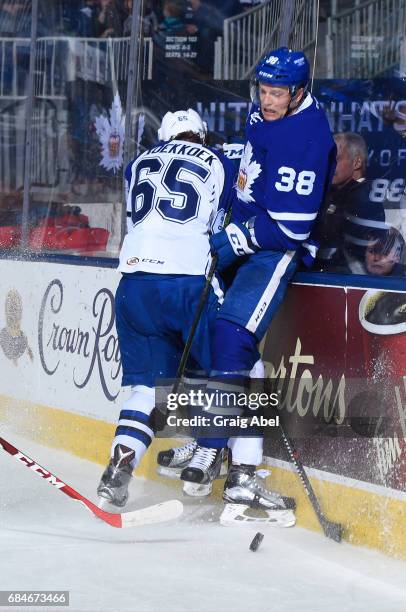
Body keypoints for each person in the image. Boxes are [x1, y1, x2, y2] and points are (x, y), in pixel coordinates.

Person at [170, 47, 336, 507]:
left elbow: (292, 228)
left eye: (277, 93)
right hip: (245, 237)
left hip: (273, 250)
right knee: (222, 345)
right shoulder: (267, 111)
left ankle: (215, 450)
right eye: (263, 90)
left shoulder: (307, 139)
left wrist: (238, 237)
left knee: (233, 340)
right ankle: (230, 457)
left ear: (299, 91)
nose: (267, 99)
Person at [96, 108, 235, 506]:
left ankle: (120, 464)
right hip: (187, 280)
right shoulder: (219, 161)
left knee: (145, 387)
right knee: (229, 365)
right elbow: (219, 226)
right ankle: (220, 459)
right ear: (201, 136)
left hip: (134, 283)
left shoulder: (138, 163)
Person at [315, 132, 386, 271]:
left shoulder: (368, 198)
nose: (329, 166)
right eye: (327, 160)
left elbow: (355, 250)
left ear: (357, 162)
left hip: (348, 279)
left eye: (336, 159)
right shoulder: (326, 193)